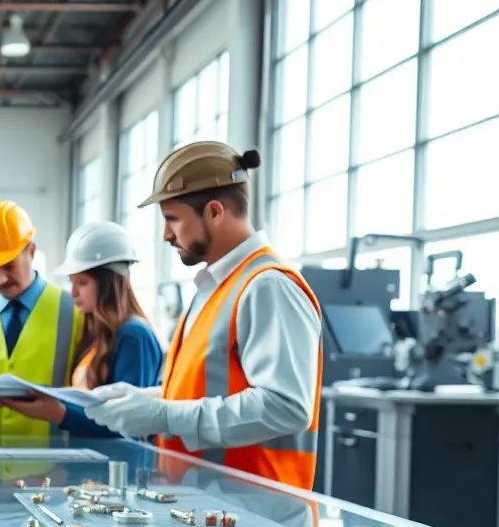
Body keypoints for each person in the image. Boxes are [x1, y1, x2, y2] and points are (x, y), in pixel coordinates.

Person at [84, 142, 323, 490]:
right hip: (209, 515)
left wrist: (164, 415)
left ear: (214, 211)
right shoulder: (214, 289)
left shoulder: (267, 286)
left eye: (173, 219)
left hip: (259, 517)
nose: (166, 234)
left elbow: (285, 406)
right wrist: (148, 399)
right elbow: (207, 391)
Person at [0, 221, 163, 437]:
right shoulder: (97, 335)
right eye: (71, 282)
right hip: (93, 463)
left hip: (121, 466)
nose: (73, 292)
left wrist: (61, 413)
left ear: (109, 283)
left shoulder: (134, 335)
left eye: (82, 283)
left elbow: (128, 423)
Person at [0, 200, 82, 441]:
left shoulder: (74, 312)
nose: (0, 278)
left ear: (32, 251)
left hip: (56, 469)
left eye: (8, 266)